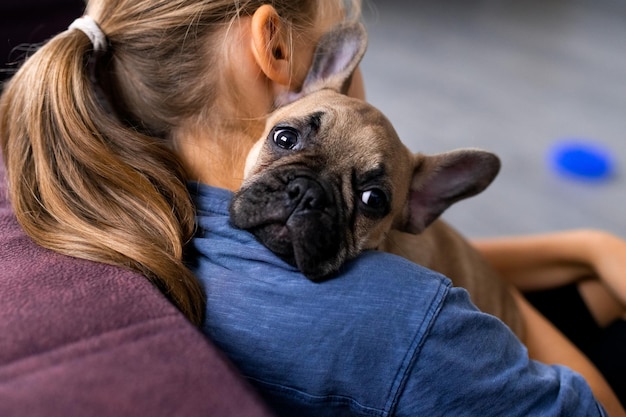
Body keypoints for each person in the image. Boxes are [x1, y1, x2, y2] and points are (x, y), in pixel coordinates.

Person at [0, 0, 624, 415]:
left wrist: (588, 246)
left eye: (369, 197)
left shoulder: (112, 185)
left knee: (600, 282)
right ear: (281, 58)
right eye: (289, 142)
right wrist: (512, 310)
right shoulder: (405, 318)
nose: (303, 197)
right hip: (504, 353)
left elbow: (440, 254)